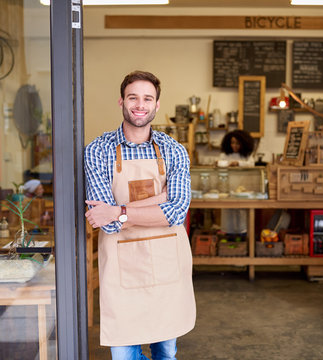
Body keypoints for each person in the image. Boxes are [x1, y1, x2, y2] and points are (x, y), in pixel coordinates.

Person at [84, 71, 195, 360]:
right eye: (133, 97)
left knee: (165, 355)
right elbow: (105, 222)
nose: (140, 104)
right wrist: (160, 200)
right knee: (124, 356)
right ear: (122, 101)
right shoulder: (98, 150)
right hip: (122, 267)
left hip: (167, 263)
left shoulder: (174, 150)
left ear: (157, 105)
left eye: (148, 98)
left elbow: (177, 212)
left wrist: (119, 211)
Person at [218, 129, 255, 234]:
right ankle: (227, 233)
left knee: (241, 212)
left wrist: (238, 163)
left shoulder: (247, 155)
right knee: (227, 211)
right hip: (228, 187)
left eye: (237, 143)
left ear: (243, 143)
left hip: (243, 188)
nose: (234, 145)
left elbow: (251, 164)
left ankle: (242, 234)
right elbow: (220, 163)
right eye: (232, 142)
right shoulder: (224, 155)